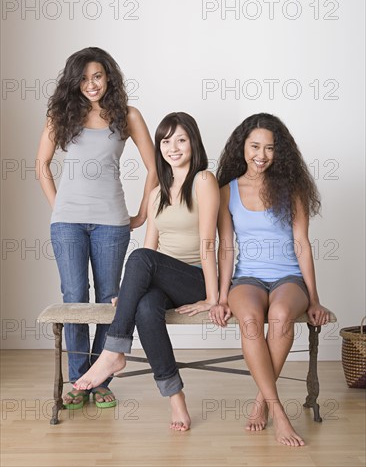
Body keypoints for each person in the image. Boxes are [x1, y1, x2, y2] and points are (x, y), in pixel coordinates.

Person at [73, 112, 220, 430]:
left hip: (194, 277)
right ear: (159, 147)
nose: (173, 148)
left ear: (193, 142)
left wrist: (212, 297)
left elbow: (208, 243)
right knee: (145, 306)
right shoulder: (156, 194)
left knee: (140, 258)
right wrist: (130, 293)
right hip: (162, 278)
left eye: (181, 139)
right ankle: (176, 398)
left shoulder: (204, 181)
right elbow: (151, 248)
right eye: (166, 141)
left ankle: (113, 352)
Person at [36, 47, 157, 409]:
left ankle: (100, 377)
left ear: (109, 78)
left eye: (98, 76)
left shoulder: (128, 115)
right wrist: (60, 207)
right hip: (67, 223)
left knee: (109, 298)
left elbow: (155, 168)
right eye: (85, 78)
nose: (91, 84)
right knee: (74, 297)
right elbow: (41, 165)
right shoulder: (60, 115)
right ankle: (79, 378)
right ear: (75, 80)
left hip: (111, 221)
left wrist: (142, 213)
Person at [211, 113, 330, 446]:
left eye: (269, 148)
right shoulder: (226, 192)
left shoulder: (292, 190)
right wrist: (222, 296)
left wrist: (315, 298)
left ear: (280, 152)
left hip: (288, 277)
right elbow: (226, 248)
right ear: (242, 147)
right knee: (249, 318)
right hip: (246, 277)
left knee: (280, 316)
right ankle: (279, 412)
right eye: (254, 146)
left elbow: (302, 244)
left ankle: (262, 402)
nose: (261, 155)